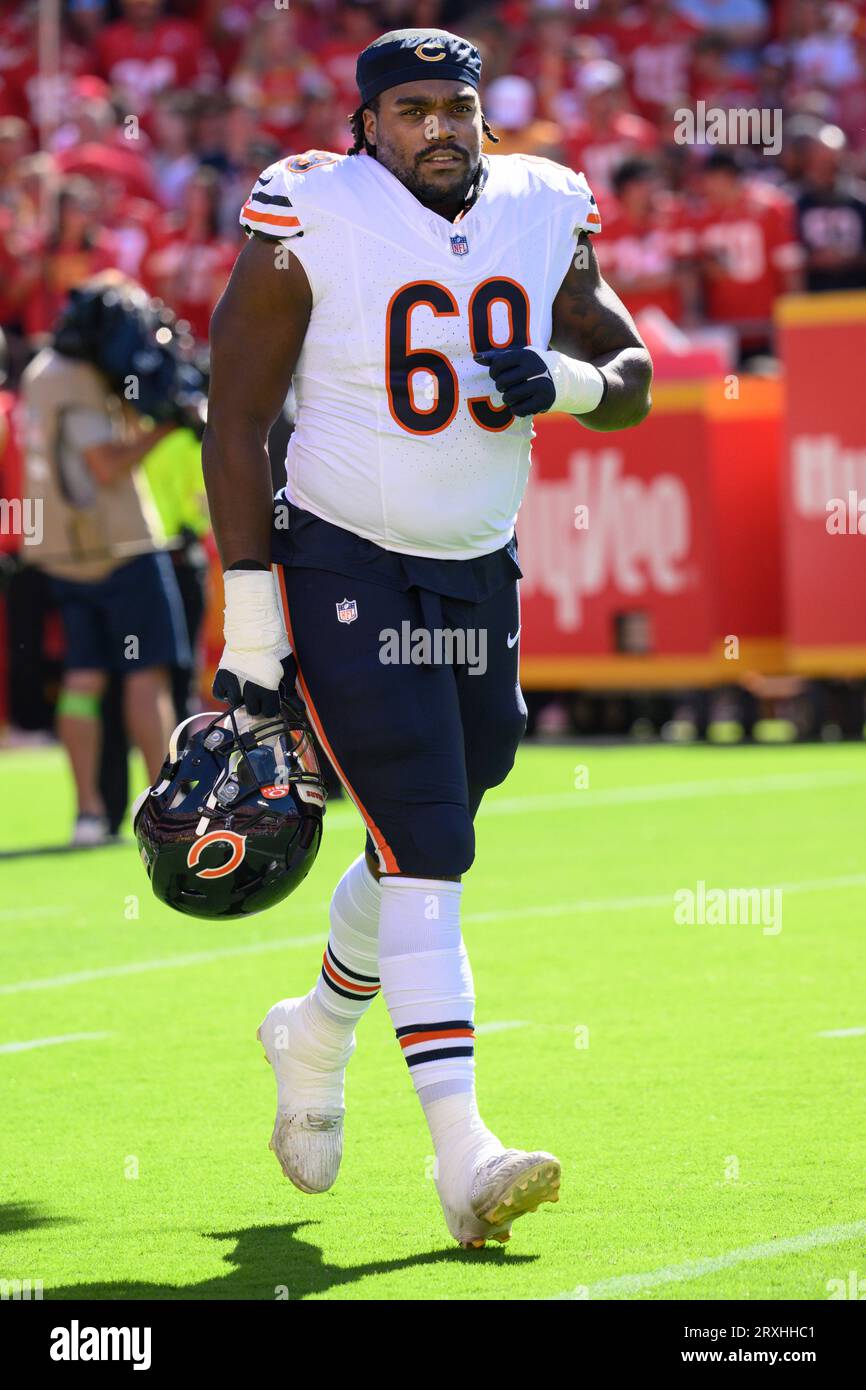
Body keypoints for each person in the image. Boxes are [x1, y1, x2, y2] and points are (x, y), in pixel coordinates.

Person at [203, 26, 652, 1250]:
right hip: (344, 556)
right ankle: (463, 1154)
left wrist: (555, 382)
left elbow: (631, 372)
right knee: (423, 826)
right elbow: (234, 414)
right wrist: (252, 627)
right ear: (365, 122)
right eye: (408, 110)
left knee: (447, 809)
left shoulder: (542, 203)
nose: (437, 128)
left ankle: (314, 1025)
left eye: (454, 106)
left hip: (474, 568)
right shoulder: (311, 204)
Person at [20, 273, 190, 845]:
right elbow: (105, 465)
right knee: (146, 678)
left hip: (61, 551)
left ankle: (89, 813)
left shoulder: (41, 370)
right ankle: (162, 803)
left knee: (83, 678)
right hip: (117, 544)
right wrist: (168, 424)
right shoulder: (76, 377)